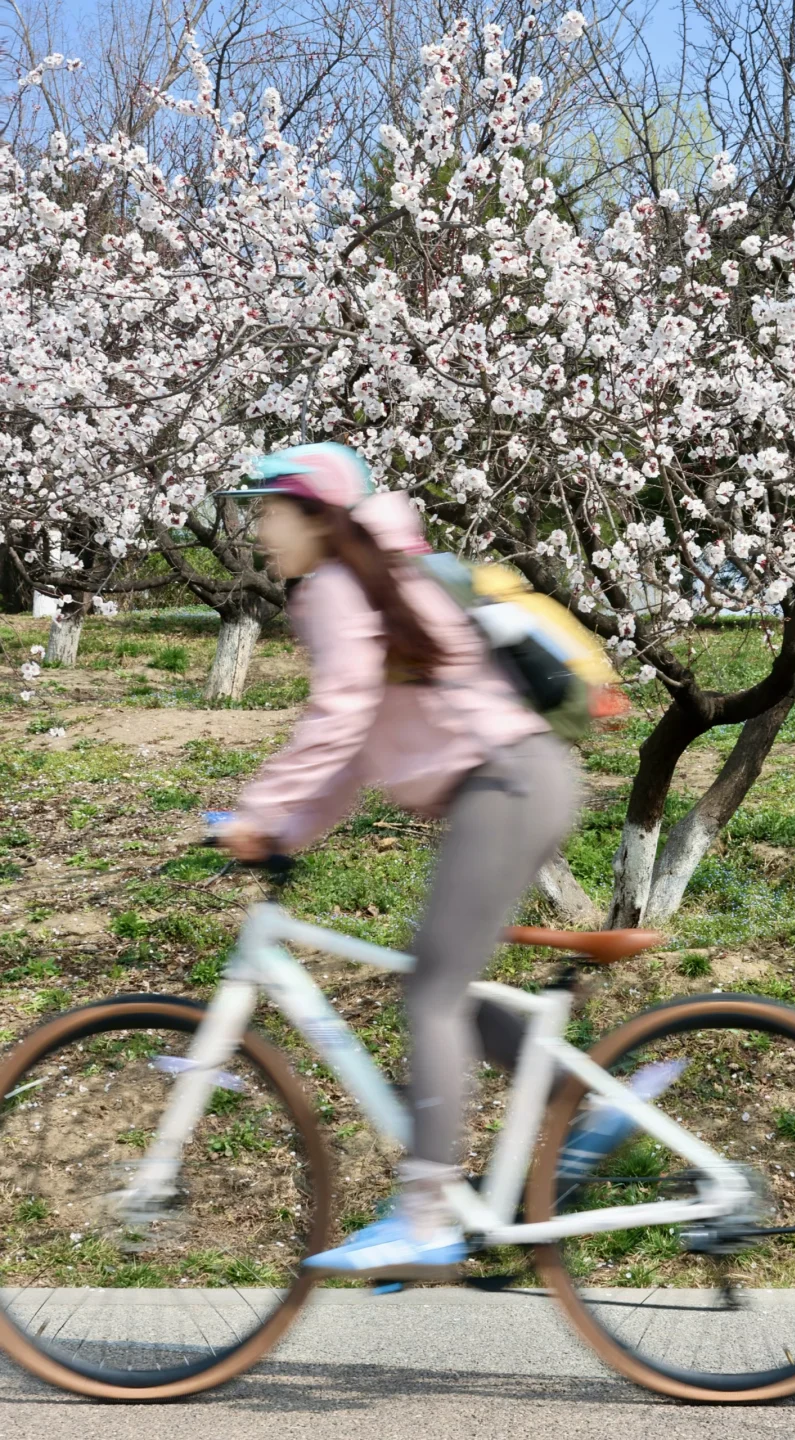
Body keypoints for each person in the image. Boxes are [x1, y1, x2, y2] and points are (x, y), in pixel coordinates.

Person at [218, 443, 581, 1279]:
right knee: (437, 982)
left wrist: (259, 814)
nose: (259, 531)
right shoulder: (363, 583)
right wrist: (284, 830)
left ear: (317, 517)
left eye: (269, 512)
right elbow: (353, 756)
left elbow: (339, 715)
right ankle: (584, 1095)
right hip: (516, 782)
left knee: (432, 993)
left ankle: (424, 1215)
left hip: (509, 783)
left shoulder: (340, 588)